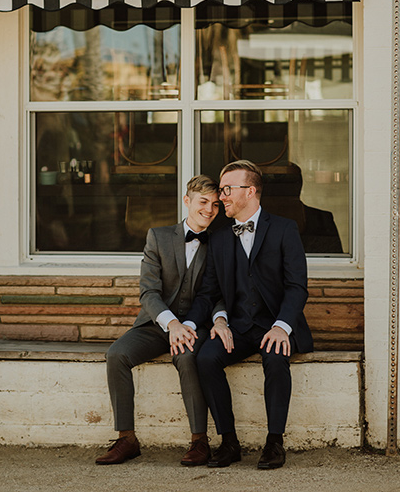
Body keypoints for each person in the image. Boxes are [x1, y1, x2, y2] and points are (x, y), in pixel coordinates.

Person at [179, 160, 313, 470]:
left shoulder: (284, 229)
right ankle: (229, 442)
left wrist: (282, 327)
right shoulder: (220, 236)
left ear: (250, 191)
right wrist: (212, 320)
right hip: (237, 326)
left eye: (227, 190)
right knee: (206, 357)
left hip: (275, 324)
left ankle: (274, 442)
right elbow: (210, 292)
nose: (221, 196)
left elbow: (297, 287)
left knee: (277, 357)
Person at [95, 174, 220, 467]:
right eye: (203, 202)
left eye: (215, 204)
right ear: (187, 201)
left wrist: (191, 325)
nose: (210, 210)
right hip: (156, 324)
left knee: (188, 358)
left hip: (195, 326)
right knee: (117, 355)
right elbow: (148, 291)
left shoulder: (220, 242)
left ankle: (199, 441)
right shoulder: (158, 236)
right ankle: (127, 438)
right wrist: (171, 323)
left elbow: (216, 293)